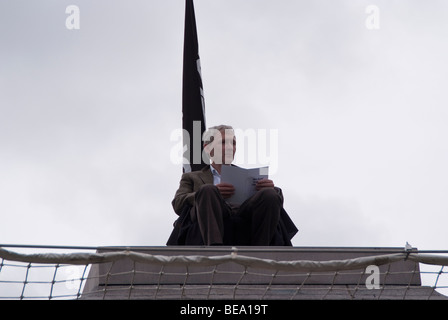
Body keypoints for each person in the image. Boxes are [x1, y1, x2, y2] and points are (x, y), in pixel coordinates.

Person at [167, 125, 298, 246]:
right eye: (223, 142)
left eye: (233, 143)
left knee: (270, 194)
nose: (230, 147)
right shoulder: (192, 177)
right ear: (208, 148)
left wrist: (272, 190)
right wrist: (209, 194)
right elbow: (178, 203)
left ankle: (260, 252)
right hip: (213, 217)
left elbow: (271, 202)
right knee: (207, 190)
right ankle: (215, 250)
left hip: (244, 214)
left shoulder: (248, 176)